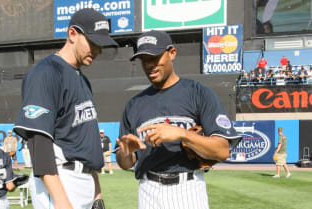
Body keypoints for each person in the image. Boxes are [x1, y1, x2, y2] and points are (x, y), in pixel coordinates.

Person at [115, 30, 242, 209]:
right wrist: (126, 153)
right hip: (148, 190)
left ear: (172, 53)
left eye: (155, 57)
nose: (150, 64)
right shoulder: (134, 105)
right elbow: (125, 163)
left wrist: (183, 134)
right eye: (144, 59)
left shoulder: (198, 93)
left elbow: (222, 151)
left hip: (188, 188)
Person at [13, 8, 118, 209]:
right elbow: (39, 142)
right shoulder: (46, 73)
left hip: (84, 181)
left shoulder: (82, 79)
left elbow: (83, 143)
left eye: (101, 44)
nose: (98, 50)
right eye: (93, 42)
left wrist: (97, 193)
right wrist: (61, 201)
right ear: (72, 34)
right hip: (61, 181)